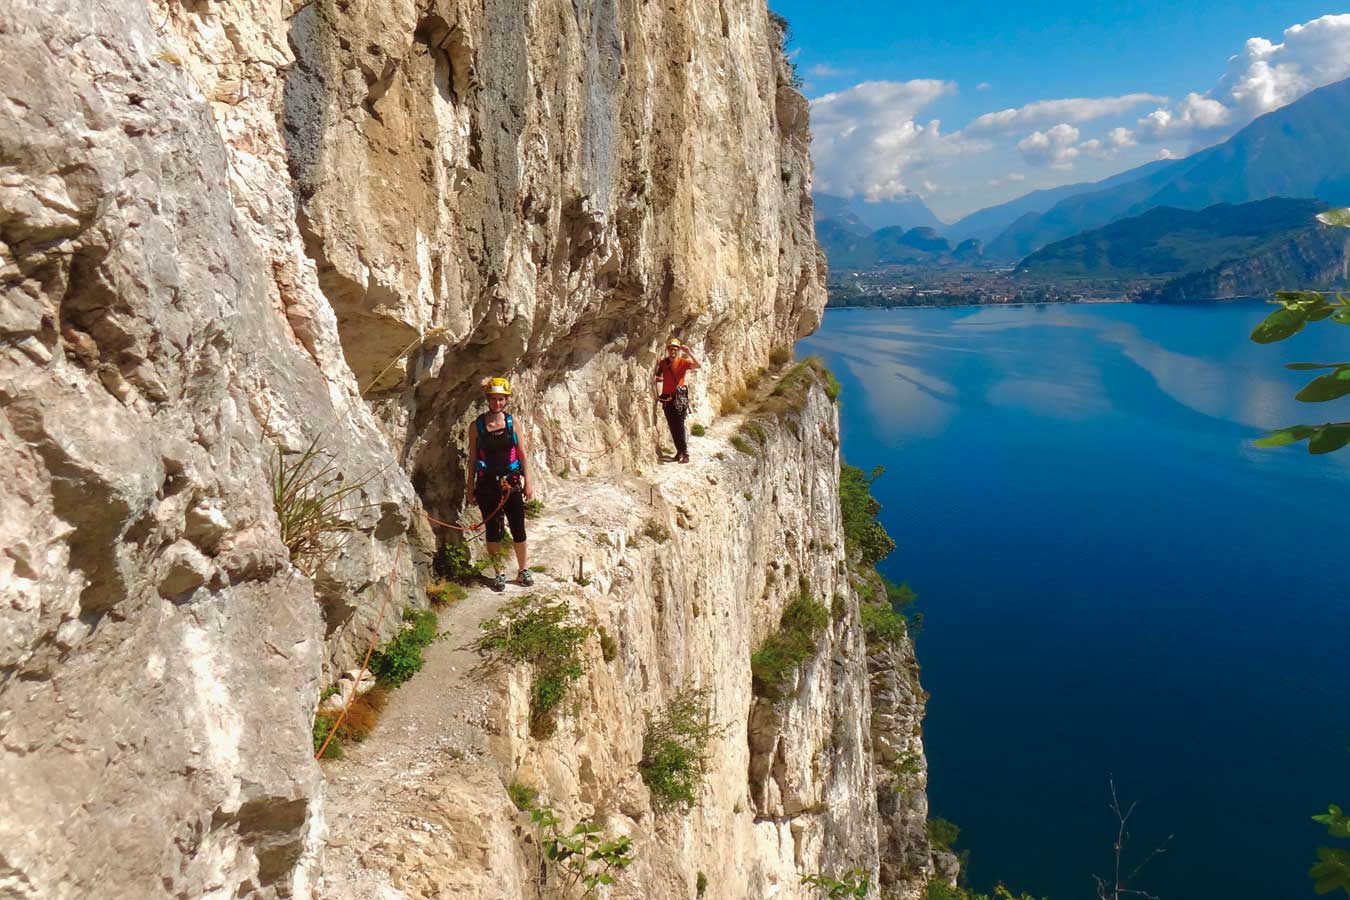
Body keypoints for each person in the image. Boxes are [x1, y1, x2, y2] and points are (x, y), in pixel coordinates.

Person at [466, 376, 535, 591]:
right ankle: (499, 573)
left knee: (518, 527)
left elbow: (522, 453)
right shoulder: (476, 426)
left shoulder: (512, 423)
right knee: (493, 530)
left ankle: (523, 570)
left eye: (501, 399)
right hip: (487, 483)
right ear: (488, 399)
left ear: (506, 400)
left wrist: (528, 482)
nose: (497, 403)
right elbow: (472, 457)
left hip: (511, 481)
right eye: (494, 399)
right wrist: (470, 488)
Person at [653, 338, 701, 463]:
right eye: (671, 348)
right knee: (672, 426)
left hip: (679, 399)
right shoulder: (663, 363)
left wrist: (689, 352)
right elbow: (658, 377)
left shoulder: (683, 362)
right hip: (667, 398)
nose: (673, 351)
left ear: (678, 350)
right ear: (668, 350)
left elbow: (698, 365)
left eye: (675, 349)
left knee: (679, 426)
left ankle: (685, 453)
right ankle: (679, 452)